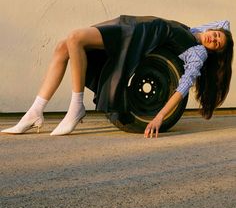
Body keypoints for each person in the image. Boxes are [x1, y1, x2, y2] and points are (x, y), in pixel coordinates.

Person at [1, 15, 234, 138]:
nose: (213, 38)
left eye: (217, 44)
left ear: (213, 53)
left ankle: (76, 106)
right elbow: (225, 23)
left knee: (74, 38)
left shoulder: (198, 53)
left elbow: (181, 88)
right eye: (216, 35)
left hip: (134, 38)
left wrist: (160, 117)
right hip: (129, 23)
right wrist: (224, 38)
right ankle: (35, 112)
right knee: (63, 46)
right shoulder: (196, 31)